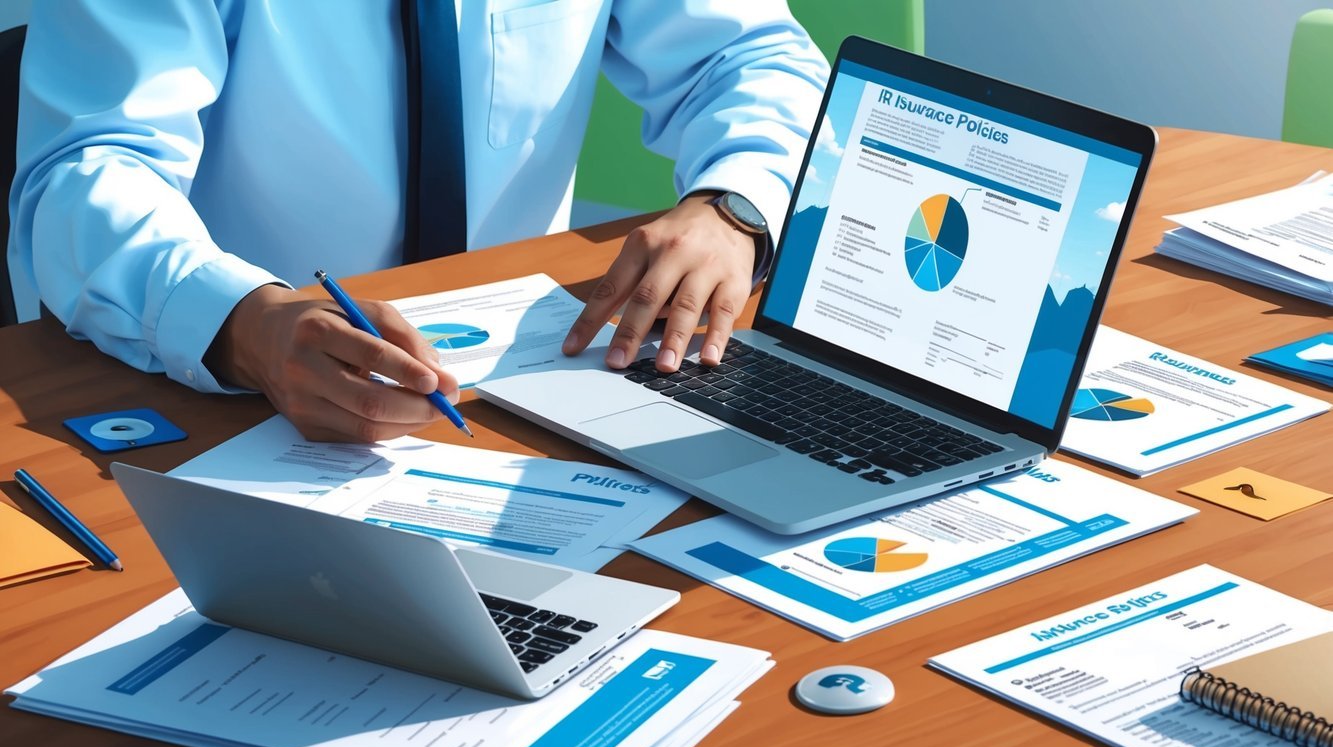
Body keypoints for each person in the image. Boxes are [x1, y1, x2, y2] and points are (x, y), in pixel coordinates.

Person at [9, 1, 829, 442]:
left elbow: (745, 55)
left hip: (529, 388)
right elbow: (87, 169)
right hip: (233, 405)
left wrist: (735, 204)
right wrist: (238, 324)